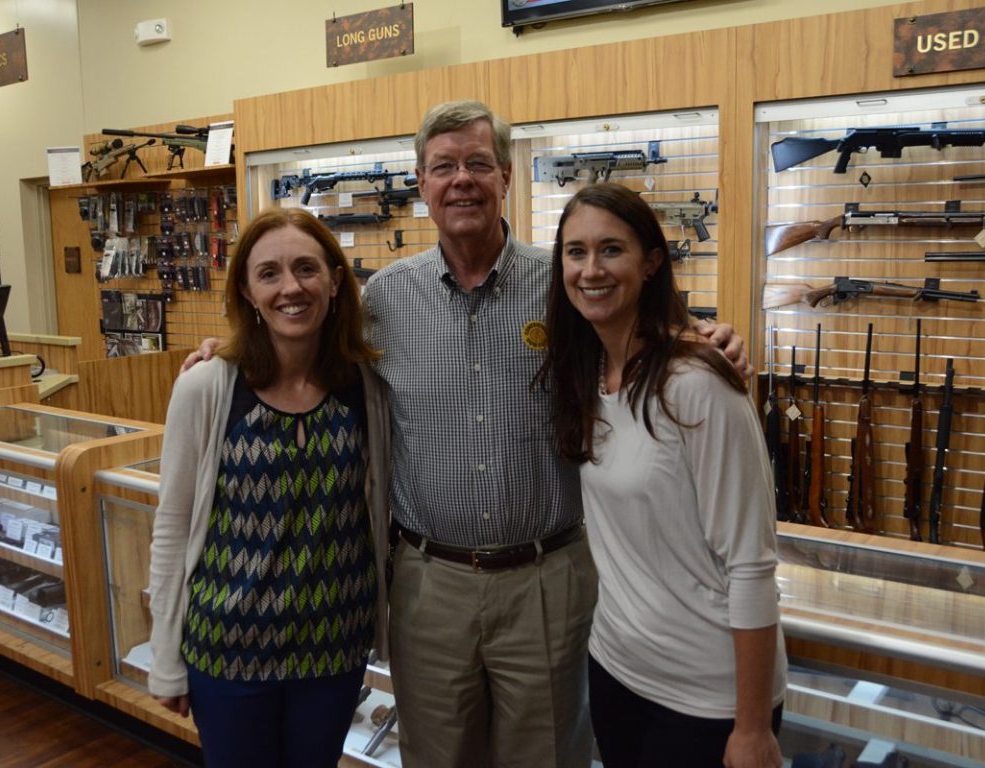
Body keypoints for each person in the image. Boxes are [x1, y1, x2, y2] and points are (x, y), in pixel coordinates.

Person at [184, 99, 751, 768]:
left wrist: (705, 337)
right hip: (429, 587)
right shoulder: (385, 299)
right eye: (443, 166)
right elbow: (306, 345)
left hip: (548, 578)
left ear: (505, 176)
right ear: (421, 183)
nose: (462, 180)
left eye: (478, 163)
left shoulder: (565, 285)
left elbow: (641, 335)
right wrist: (227, 356)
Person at [538, 182, 786, 768]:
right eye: (575, 252)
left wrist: (751, 727)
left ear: (651, 263)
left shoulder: (697, 384)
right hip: (617, 670)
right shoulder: (588, 375)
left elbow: (751, 563)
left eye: (611, 250)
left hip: (707, 697)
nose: (591, 269)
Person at [148, 208, 391, 768]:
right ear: (247, 291)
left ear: (334, 279)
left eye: (306, 269)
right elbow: (172, 526)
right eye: (270, 273)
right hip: (229, 653)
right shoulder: (209, 385)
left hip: (335, 648)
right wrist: (166, 655)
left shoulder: (366, 385)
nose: (291, 288)